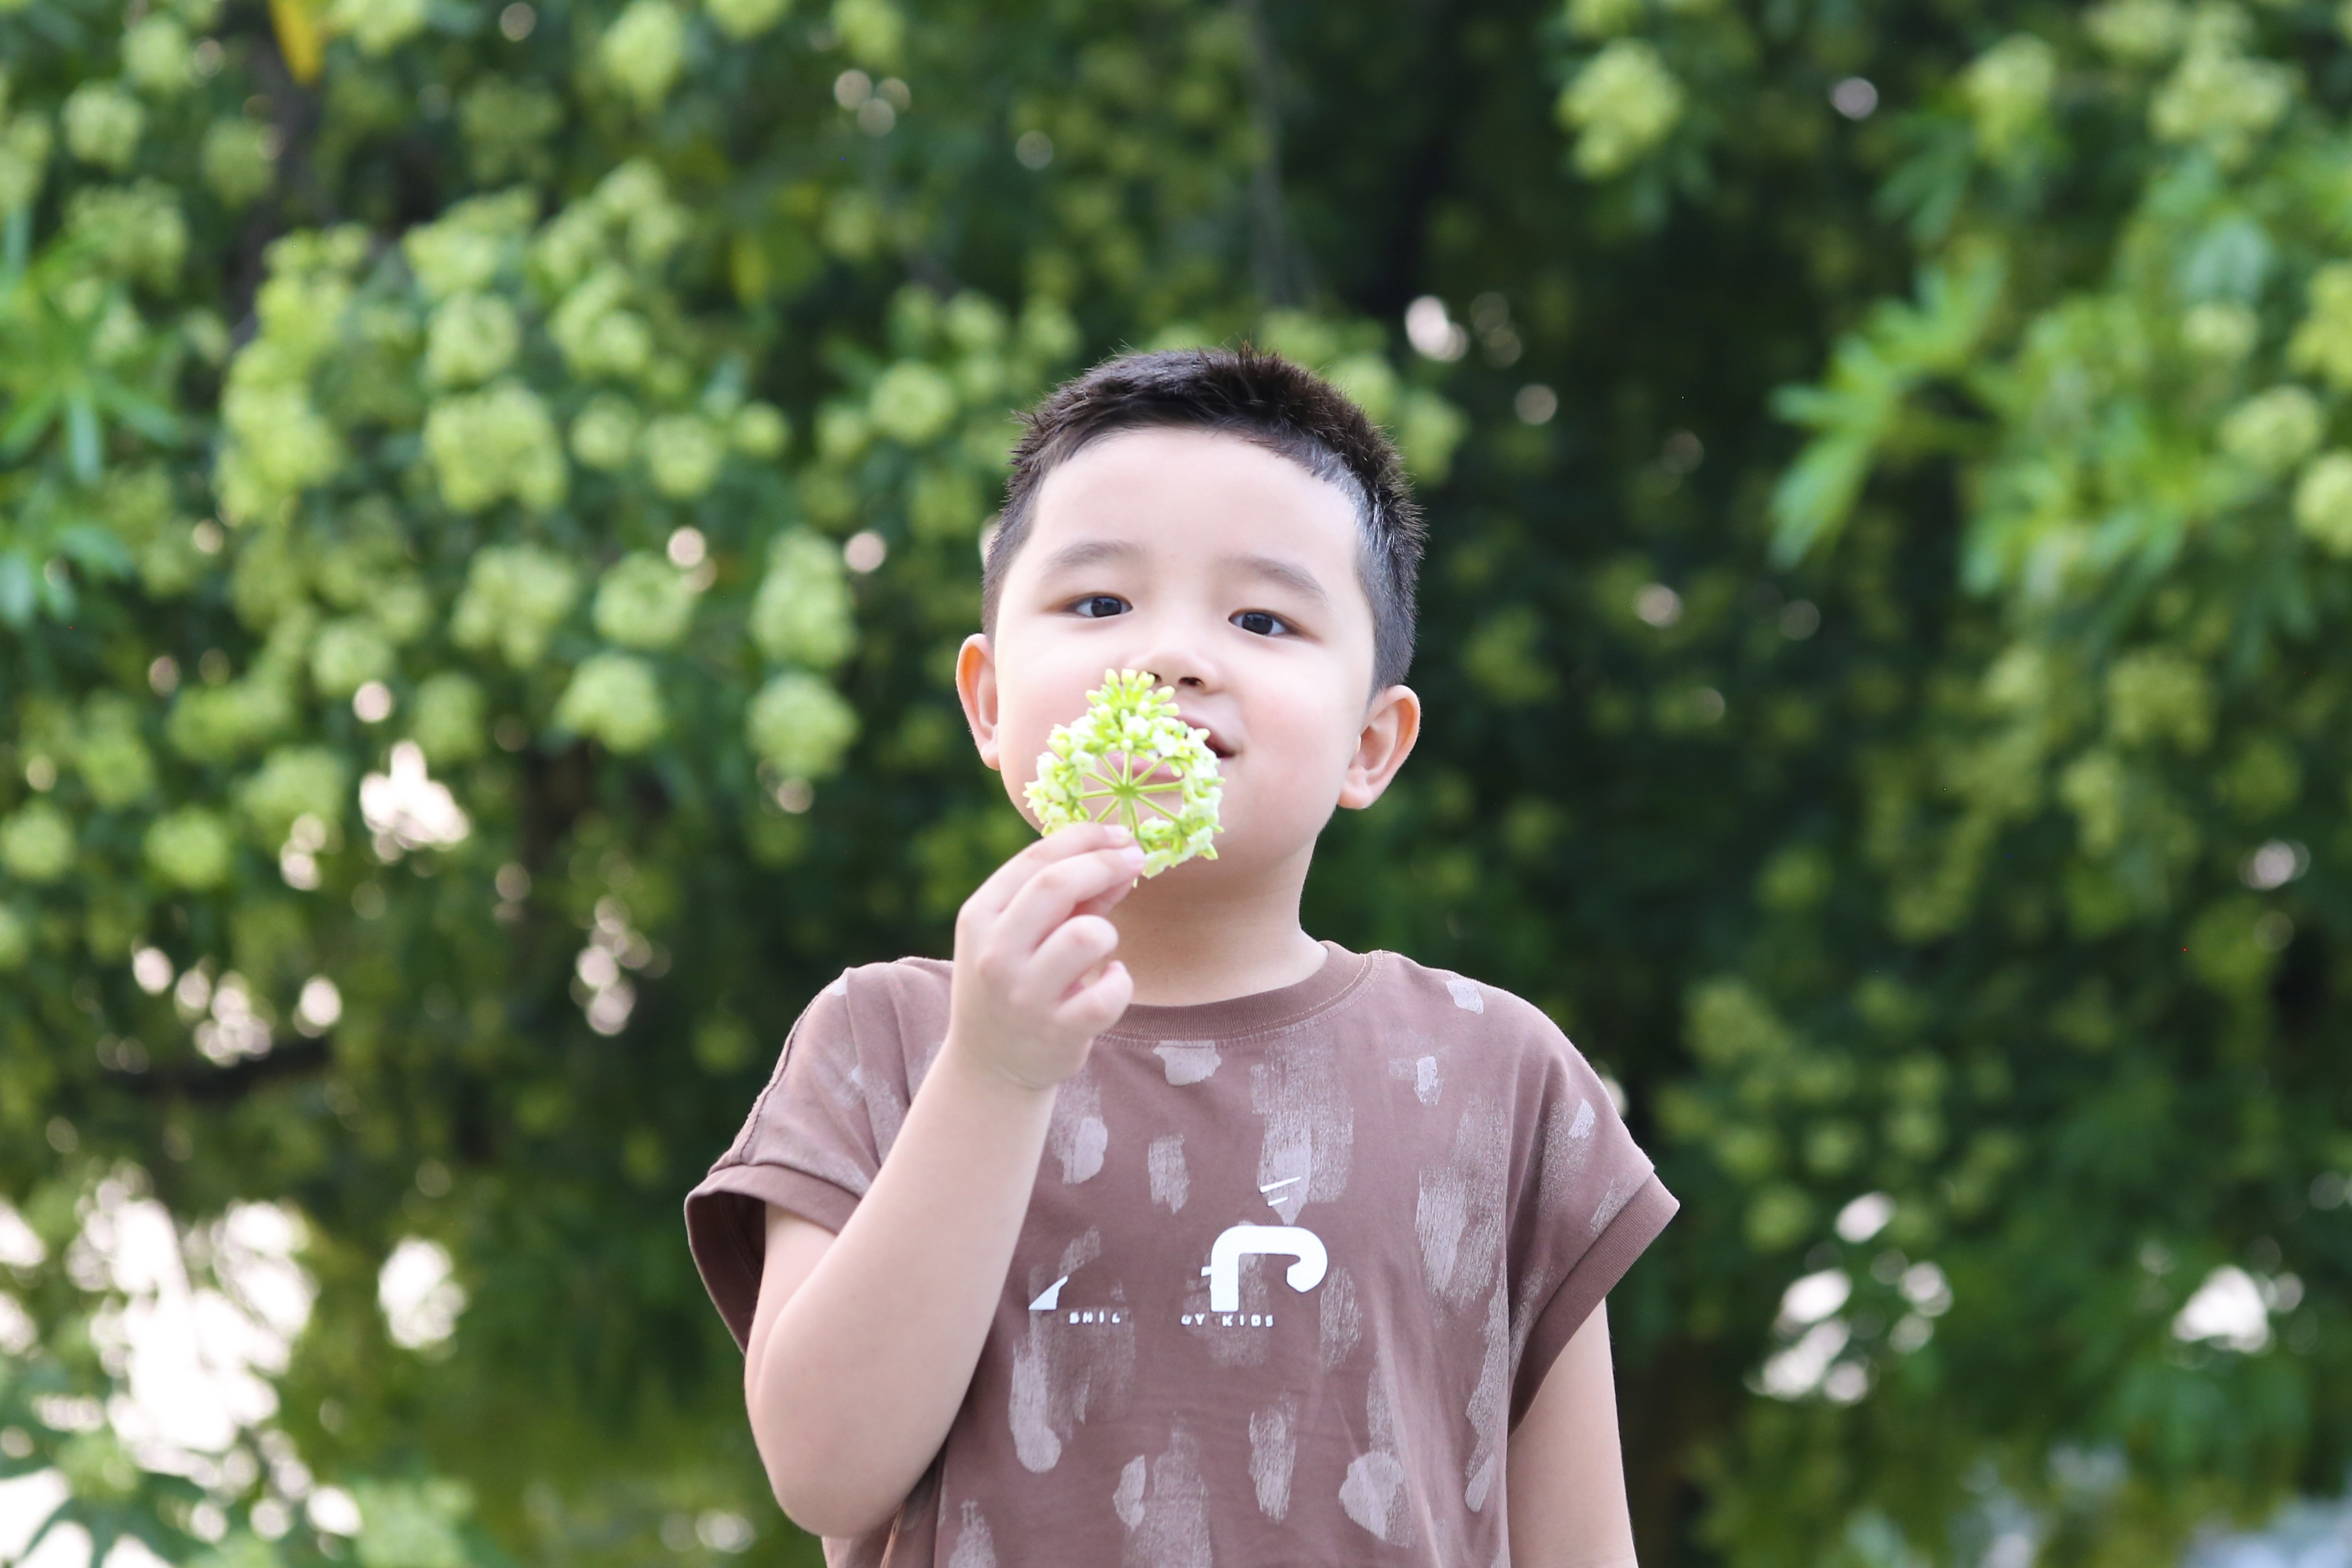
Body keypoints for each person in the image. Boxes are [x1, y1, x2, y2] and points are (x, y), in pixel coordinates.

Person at [685, 346, 1676, 1566]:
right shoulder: (882, 1040)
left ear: (1372, 742)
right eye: (1099, 604)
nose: (1171, 657)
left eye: (1261, 618)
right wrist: (994, 1070)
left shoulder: (1497, 1074)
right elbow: (825, 1468)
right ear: (989, 702)